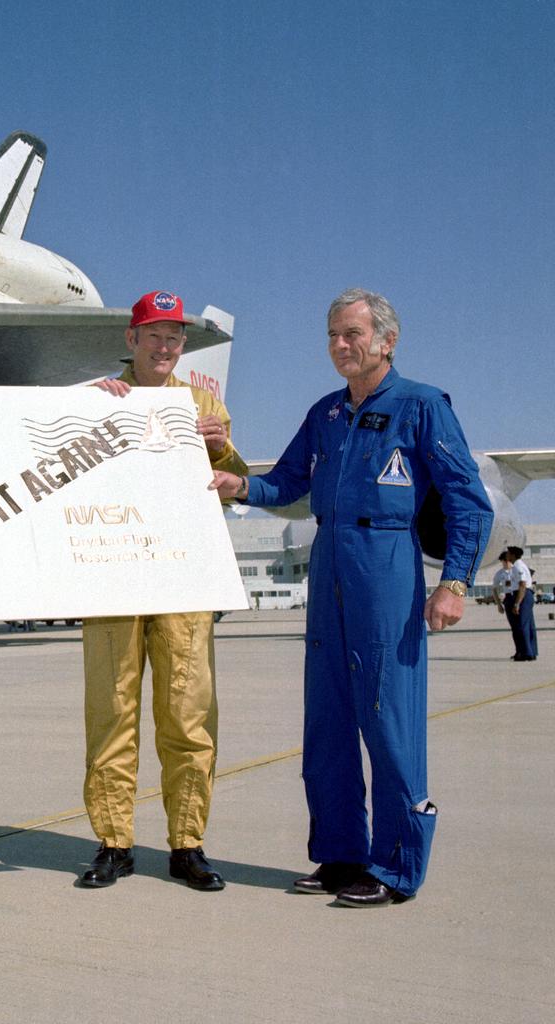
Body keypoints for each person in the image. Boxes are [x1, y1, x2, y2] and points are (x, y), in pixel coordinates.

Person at [212, 288, 492, 907]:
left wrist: (454, 582)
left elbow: (469, 501)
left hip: (388, 566)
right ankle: (341, 856)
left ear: (387, 341)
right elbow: (287, 482)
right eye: (333, 335)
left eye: (353, 335)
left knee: (389, 721)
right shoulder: (325, 415)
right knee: (329, 724)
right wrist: (239, 485)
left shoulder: (422, 406)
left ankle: (395, 867)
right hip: (329, 563)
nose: (341, 345)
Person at [77, 290, 248, 891]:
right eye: (154, 334)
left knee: (187, 712)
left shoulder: (203, 404)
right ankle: (113, 842)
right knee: (112, 709)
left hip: (181, 579)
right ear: (132, 339)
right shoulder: (96, 397)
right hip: (113, 578)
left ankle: (188, 844)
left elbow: (235, 481)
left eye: (175, 337)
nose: (166, 345)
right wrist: (85, 414)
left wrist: (216, 444)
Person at [506, 545, 538, 661]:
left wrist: (517, 603)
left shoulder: (517, 566)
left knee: (522, 625)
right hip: (525, 594)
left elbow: (522, 585)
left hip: (523, 594)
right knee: (528, 625)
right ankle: (531, 652)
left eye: (508, 553)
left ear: (513, 555)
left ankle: (526, 653)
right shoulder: (519, 565)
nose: (507, 555)